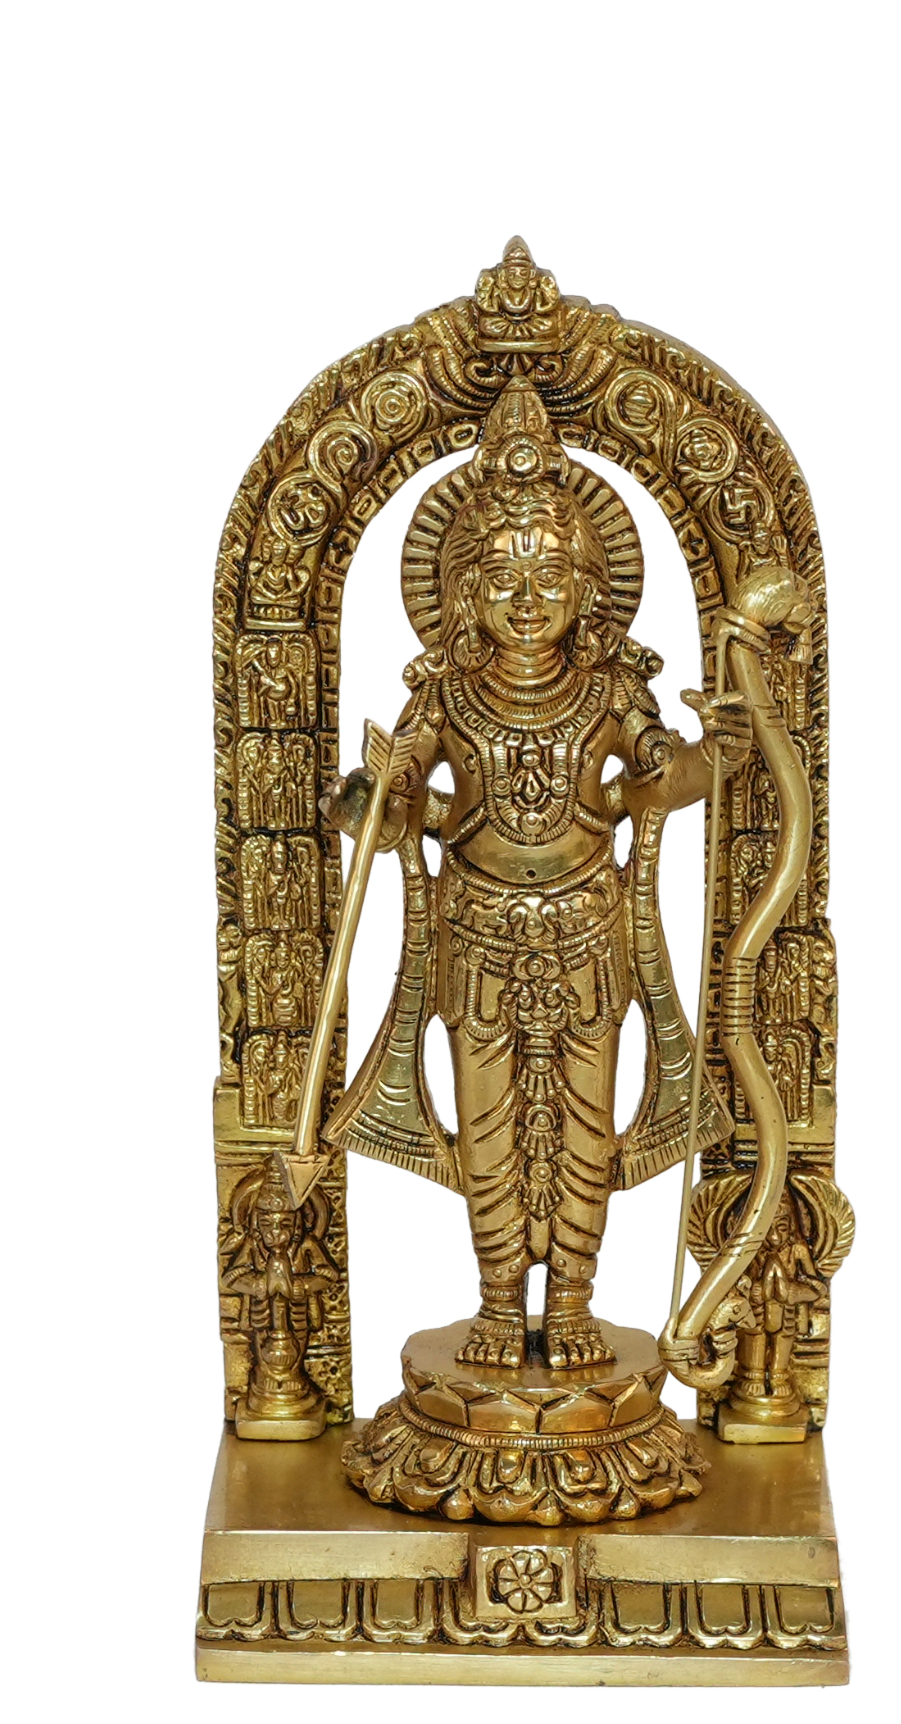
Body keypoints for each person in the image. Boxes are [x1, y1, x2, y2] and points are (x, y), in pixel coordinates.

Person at [323, 377, 747, 1368]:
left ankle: (574, 1302)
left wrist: (700, 760)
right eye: (503, 577)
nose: (526, 601)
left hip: (588, 937)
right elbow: (388, 805)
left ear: (587, 586)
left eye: (549, 575)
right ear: (465, 590)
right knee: (488, 1130)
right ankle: (494, 1300)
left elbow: (667, 775)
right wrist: (373, 800)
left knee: (587, 1126)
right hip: (474, 939)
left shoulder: (610, 689)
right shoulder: (445, 696)